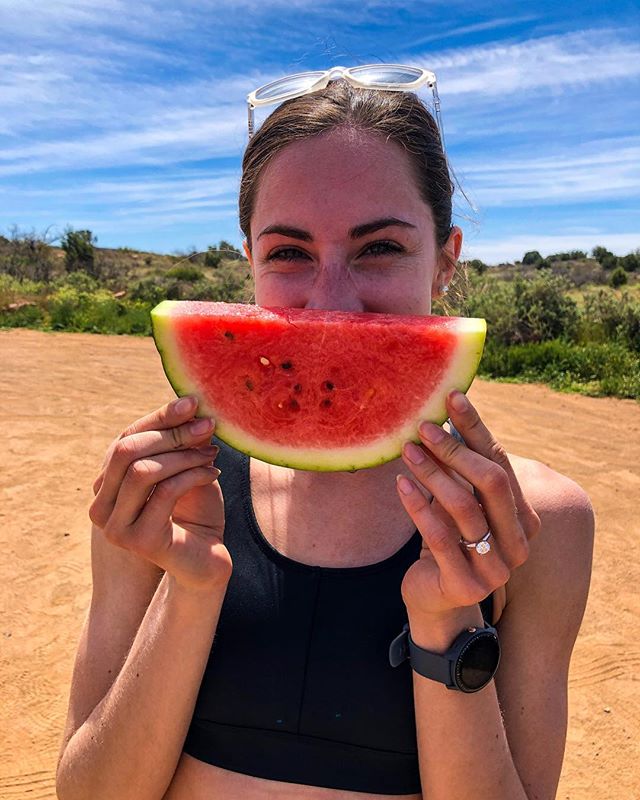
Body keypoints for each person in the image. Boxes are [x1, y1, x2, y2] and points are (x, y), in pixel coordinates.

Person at [56, 67, 594, 800]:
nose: (331, 302)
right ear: (247, 259)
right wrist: (192, 587)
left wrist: (446, 621)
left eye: (379, 249)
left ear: (445, 259)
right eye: (287, 253)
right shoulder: (161, 495)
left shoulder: (540, 526)